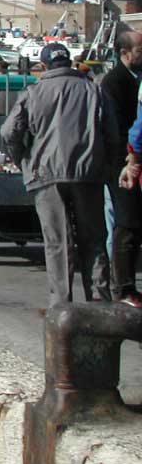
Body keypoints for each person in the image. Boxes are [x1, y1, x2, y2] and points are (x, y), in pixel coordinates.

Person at [1, 43, 116, 307]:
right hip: (88, 175)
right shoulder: (93, 89)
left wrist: (23, 161)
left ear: (43, 66)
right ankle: (99, 303)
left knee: (58, 243)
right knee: (95, 240)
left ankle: (62, 307)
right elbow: (112, 134)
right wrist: (105, 166)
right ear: (71, 63)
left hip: (47, 175)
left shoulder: (34, 92)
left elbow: (9, 133)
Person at [103, 31, 142, 306]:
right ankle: (123, 288)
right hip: (123, 162)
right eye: (140, 50)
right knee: (126, 223)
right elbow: (120, 127)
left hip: (134, 157)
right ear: (125, 53)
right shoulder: (114, 82)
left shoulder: (136, 80)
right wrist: (130, 158)